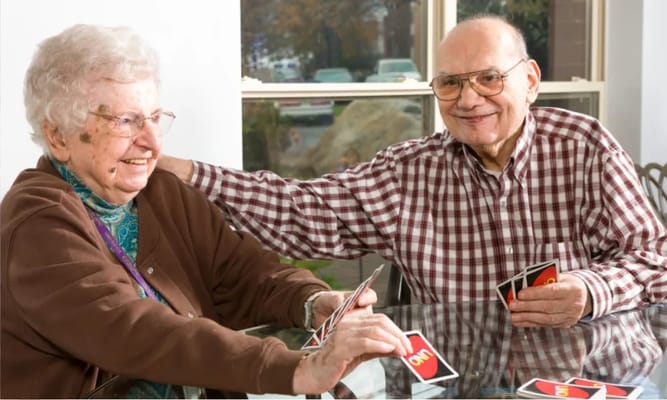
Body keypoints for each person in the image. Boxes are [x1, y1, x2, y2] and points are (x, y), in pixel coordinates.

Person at [159, 14, 667, 329]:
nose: (469, 99)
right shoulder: (408, 173)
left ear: (530, 80)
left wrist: (592, 291)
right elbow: (302, 210)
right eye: (449, 83)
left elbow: (654, 258)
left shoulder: (583, 146)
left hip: (585, 370)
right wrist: (185, 171)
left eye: (489, 78)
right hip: (456, 384)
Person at [0, 24, 412, 399]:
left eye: (155, 118)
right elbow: (136, 331)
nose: (150, 142)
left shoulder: (163, 192)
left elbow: (246, 274)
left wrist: (313, 301)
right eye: (126, 121)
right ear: (58, 136)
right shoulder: (38, 223)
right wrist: (298, 369)